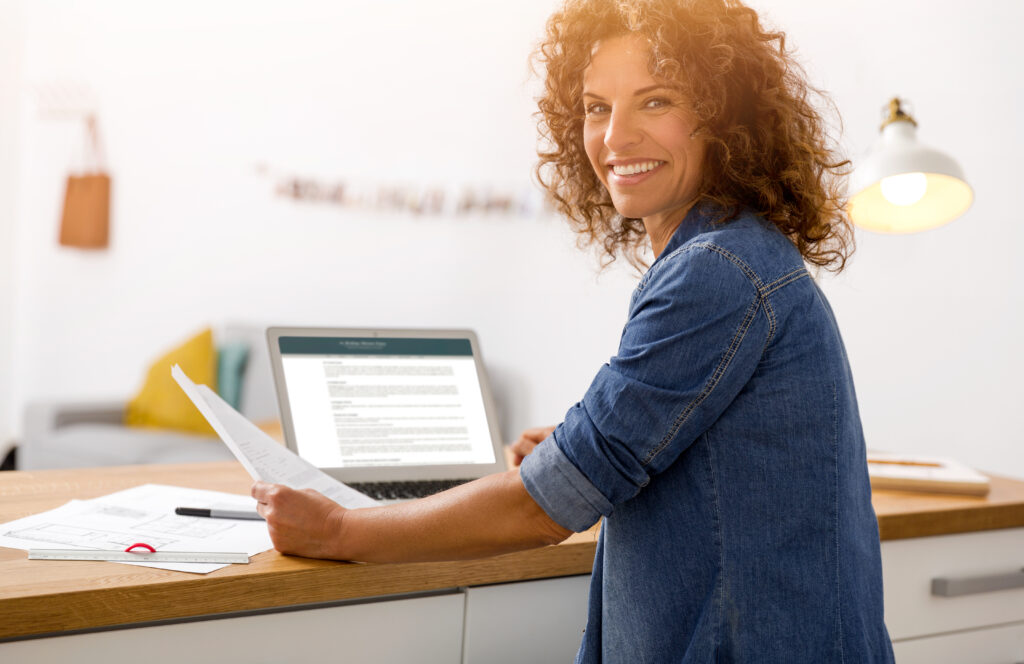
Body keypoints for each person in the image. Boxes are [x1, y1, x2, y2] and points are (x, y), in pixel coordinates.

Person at [252, 0, 895, 661]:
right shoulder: (736, 253)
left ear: (725, 119)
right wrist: (574, 447)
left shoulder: (716, 272)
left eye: (655, 101)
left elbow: (547, 508)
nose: (614, 137)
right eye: (596, 107)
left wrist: (338, 531)